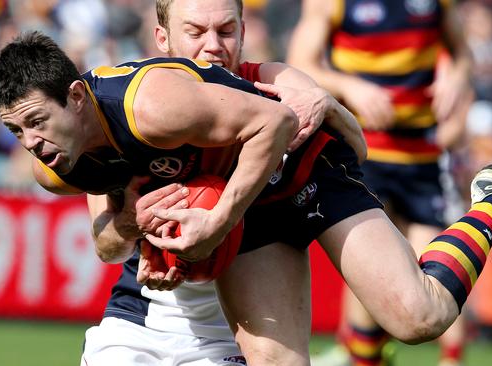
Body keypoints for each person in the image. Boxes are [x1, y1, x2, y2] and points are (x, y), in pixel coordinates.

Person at [0, 27, 492, 366]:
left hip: (304, 167)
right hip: (250, 208)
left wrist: (216, 221)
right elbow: (107, 243)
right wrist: (135, 225)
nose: (31, 144)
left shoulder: (152, 102)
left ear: (77, 96)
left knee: (420, 317)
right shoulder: (58, 165)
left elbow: (273, 123)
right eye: (16, 131)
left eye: (37, 121)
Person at [78, 0, 368, 364]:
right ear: (162, 39)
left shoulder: (275, 84)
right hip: (139, 321)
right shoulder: (123, 108)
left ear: (243, 32)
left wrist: (328, 105)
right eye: (196, 32)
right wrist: (129, 222)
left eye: (226, 31)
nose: (213, 45)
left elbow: (357, 155)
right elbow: (106, 246)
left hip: (235, 336)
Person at [287, 0, 474, 364]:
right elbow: (300, 65)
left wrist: (457, 76)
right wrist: (349, 86)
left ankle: (450, 358)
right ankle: (365, 355)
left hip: (424, 157)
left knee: (433, 267)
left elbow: (463, 54)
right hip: (361, 155)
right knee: (375, 272)